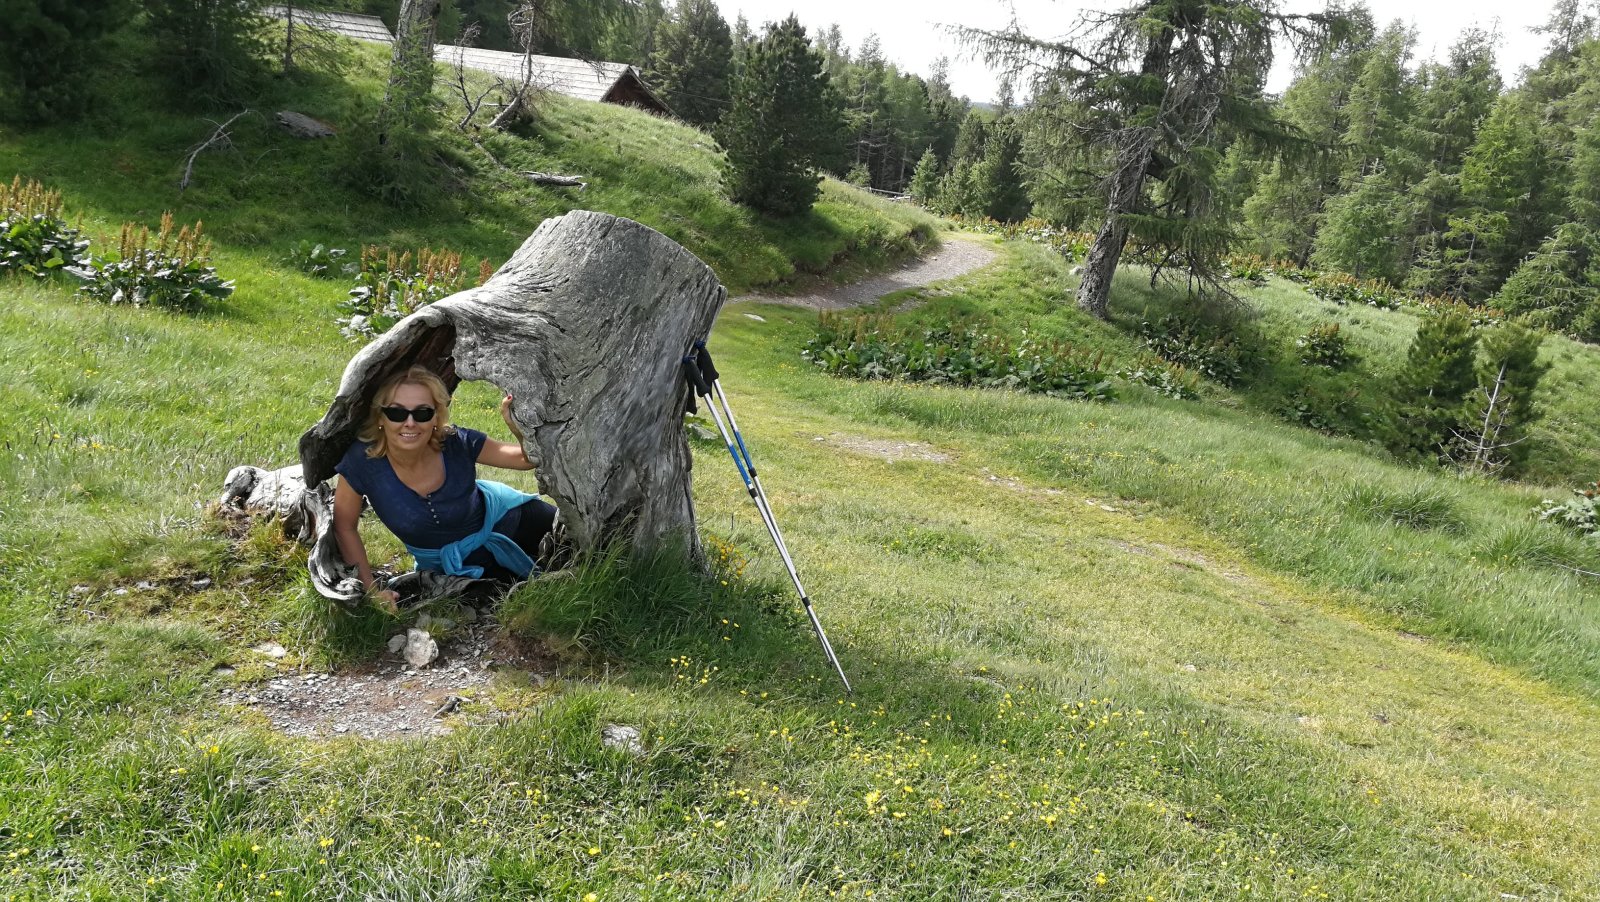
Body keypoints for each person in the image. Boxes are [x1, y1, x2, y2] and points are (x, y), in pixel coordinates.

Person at [331, 366, 557, 609]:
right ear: (380, 417)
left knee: (592, 555)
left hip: (516, 523)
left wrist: (518, 429)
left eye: (423, 413)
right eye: (397, 413)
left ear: (436, 417)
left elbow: (525, 459)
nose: (410, 423)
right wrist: (371, 589)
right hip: (454, 569)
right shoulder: (362, 461)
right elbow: (344, 526)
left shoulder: (458, 443)